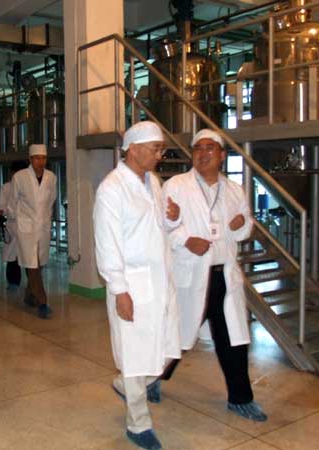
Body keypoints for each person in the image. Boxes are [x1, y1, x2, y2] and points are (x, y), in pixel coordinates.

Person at [162, 129, 267, 422]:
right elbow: (162, 226)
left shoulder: (234, 189)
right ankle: (150, 381)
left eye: (210, 148)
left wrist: (240, 223)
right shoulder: (175, 185)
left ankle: (241, 398)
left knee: (233, 339)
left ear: (222, 155)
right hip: (192, 274)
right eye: (197, 148)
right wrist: (186, 240)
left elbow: (246, 227)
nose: (203, 153)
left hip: (224, 276)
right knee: (176, 336)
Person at [93, 121, 182, 450]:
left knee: (167, 350)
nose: (160, 155)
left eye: (161, 149)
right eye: (155, 149)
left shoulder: (154, 182)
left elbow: (156, 228)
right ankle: (138, 423)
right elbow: (107, 244)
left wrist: (172, 216)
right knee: (134, 354)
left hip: (160, 282)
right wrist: (120, 290)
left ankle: (125, 384)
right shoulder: (112, 188)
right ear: (133, 149)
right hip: (132, 284)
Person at [8, 145, 57, 319]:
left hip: (42, 227)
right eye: (37, 158)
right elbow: (12, 202)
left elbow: (51, 200)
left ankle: (30, 296)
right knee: (32, 265)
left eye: (43, 158)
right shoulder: (20, 177)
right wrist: (15, 222)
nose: (40, 162)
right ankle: (43, 302)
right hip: (26, 228)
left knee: (39, 264)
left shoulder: (51, 177)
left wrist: (47, 219)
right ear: (30, 159)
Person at [0, 160, 29, 287]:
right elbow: (3, 205)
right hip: (12, 224)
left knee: (28, 256)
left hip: (27, 225)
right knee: (12, 255)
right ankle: (13, 282)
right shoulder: (6, 187)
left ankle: (32, 283)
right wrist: (1, 212)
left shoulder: (30, 187)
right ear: (12, 173)